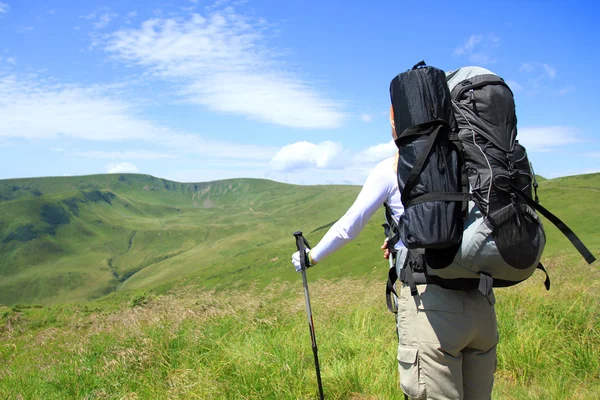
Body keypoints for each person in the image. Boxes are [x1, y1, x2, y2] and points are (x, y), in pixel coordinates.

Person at [291, 106, 498, 400]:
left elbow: (348, 227)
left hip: (431, 306)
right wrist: (402, 240)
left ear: (396, 123)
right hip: (482, 301)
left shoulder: (392, 168)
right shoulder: (469, 161)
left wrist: (311, 257)